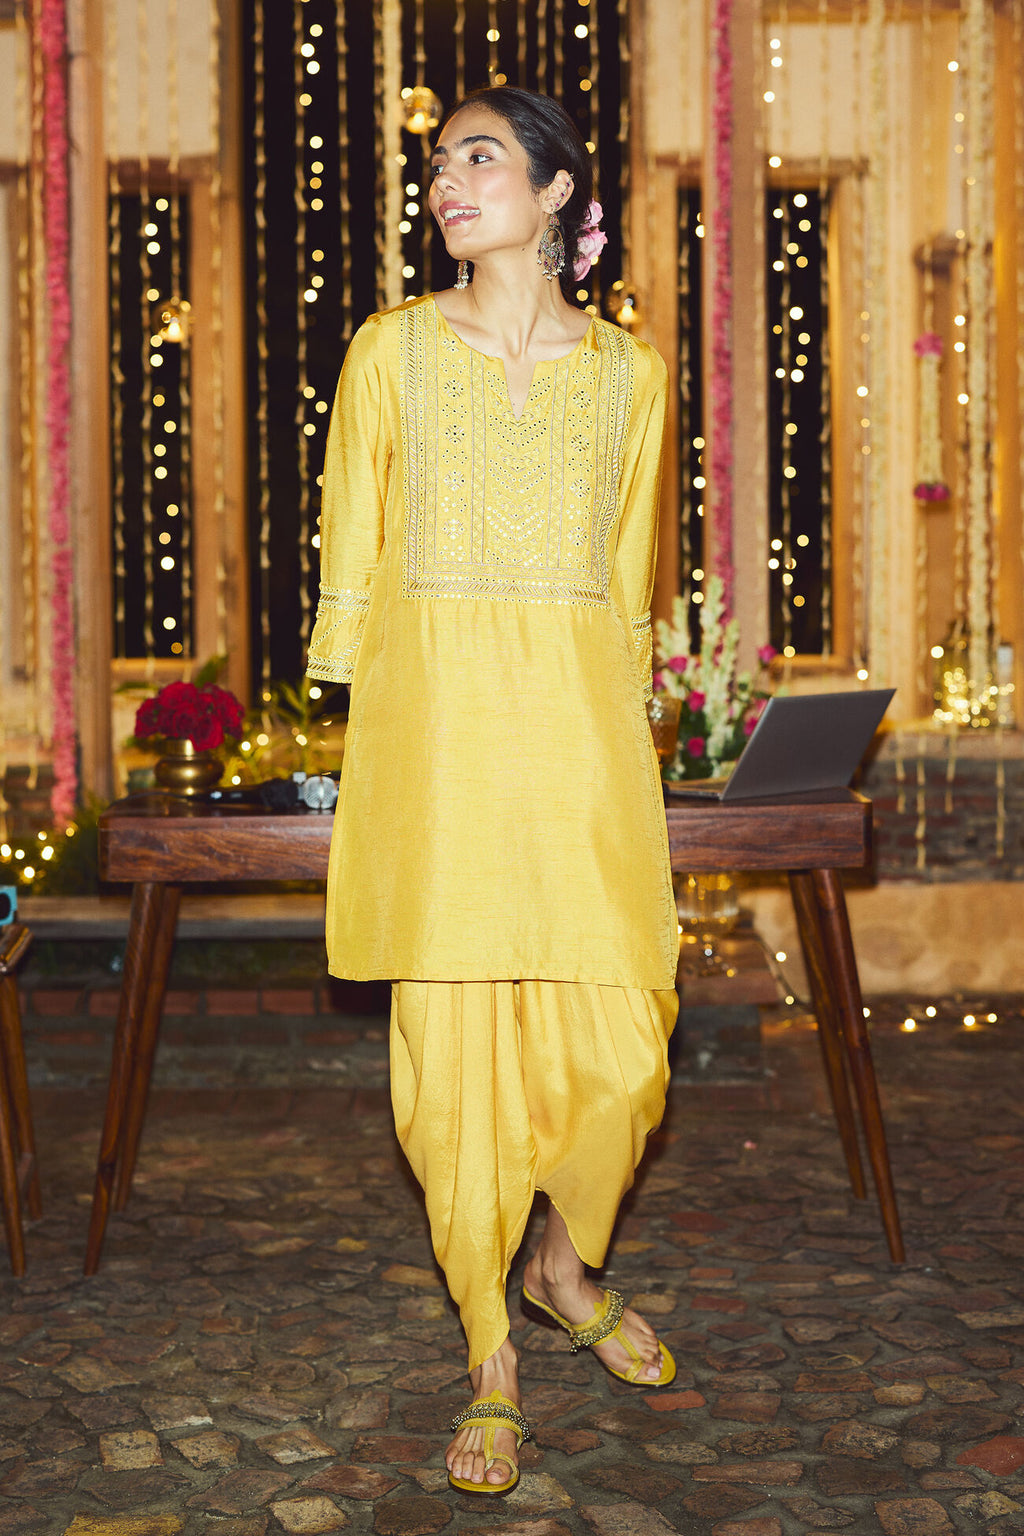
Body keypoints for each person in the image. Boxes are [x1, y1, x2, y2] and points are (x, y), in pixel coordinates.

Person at [307, 85, 679, 1497]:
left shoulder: (631, 376)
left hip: (579, 738)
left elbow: (631, 575)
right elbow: (353, 532)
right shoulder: (394, 352)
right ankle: (493, 1351)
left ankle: (561, 1265)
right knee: (455, 1073)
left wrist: (630, 719)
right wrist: (358, 702)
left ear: (557, 191)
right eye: (438, 165)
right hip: (443, 744)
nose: (446, 182)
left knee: (626, 1042)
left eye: (479, 157)